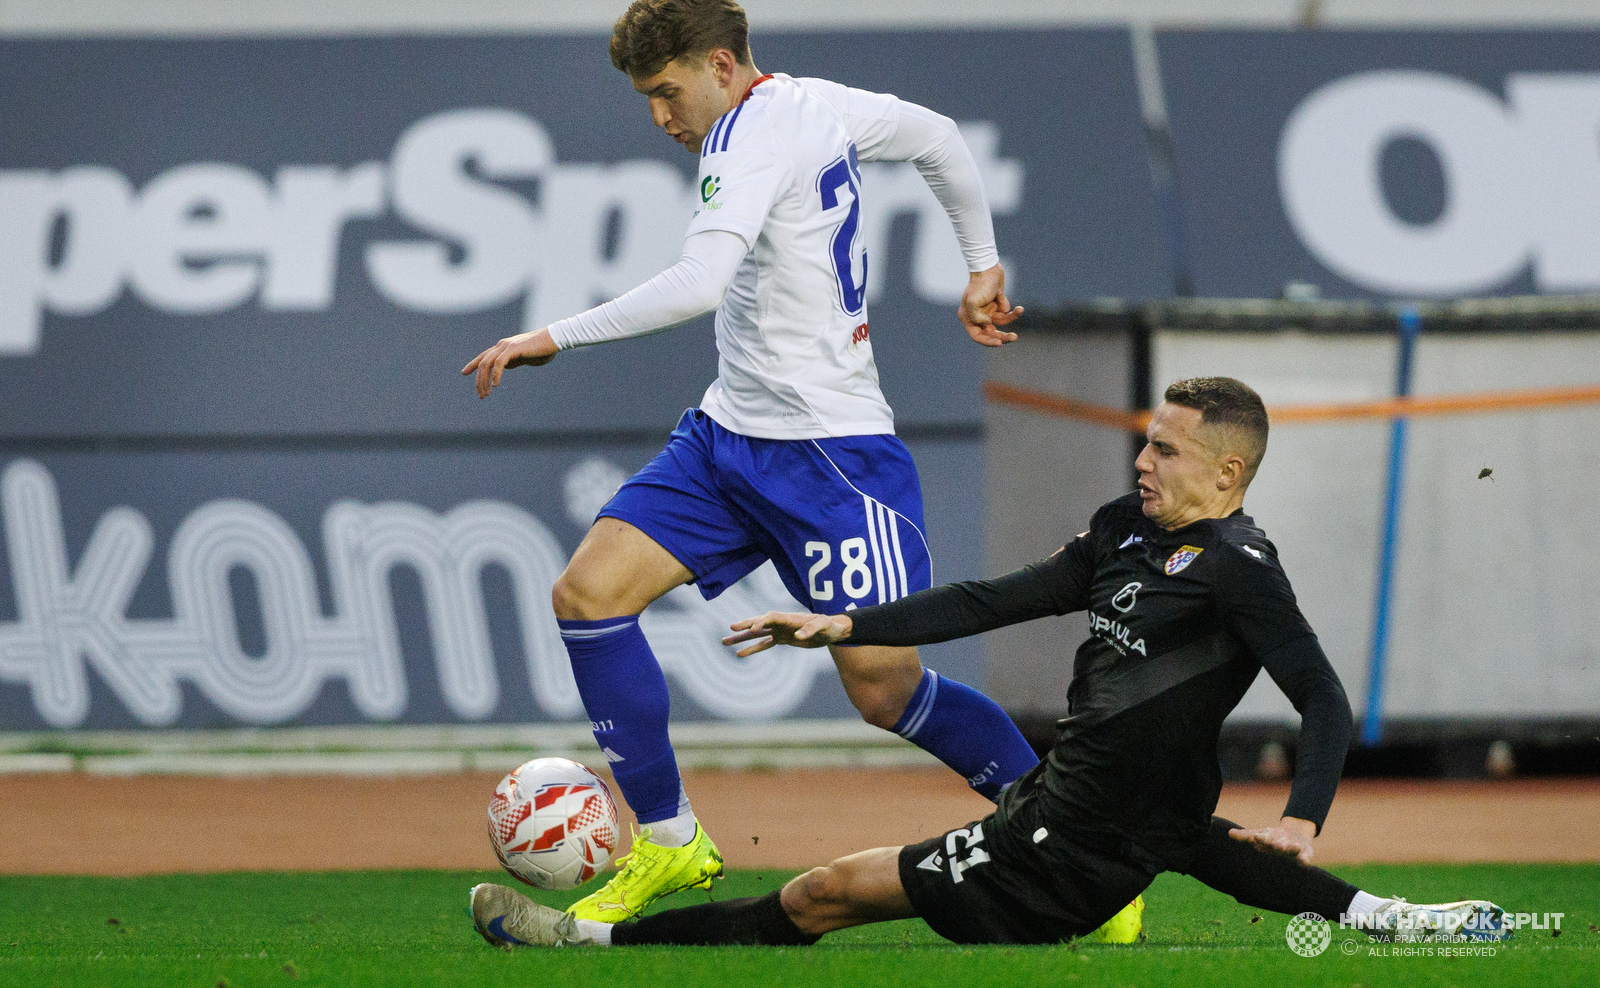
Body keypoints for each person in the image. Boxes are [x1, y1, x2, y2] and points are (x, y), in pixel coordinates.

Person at [467, 377, 1507, 949]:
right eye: (1144, 443)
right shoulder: (1120, 533)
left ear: (1228, 472)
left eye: (1166, 451)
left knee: (818, 894)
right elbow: (991, 598)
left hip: (1061, 845)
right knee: (1188, 837)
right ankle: (1395, 920)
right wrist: (846, 623)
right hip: (1113, 813)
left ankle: (588, 948)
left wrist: (1304, 814)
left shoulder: (1242, 570)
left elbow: (1320, 693)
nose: (1141, 461)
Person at [460, 0, 1045, 925]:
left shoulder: (748, 131)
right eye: (645, 97)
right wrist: (980, 262)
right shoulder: (816, 104)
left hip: (834, 457)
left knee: (885, 690)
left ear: (721, 65)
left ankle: (1075, 853)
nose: (658, 116)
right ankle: (670, 841)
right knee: (588, 596)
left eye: (667, 91)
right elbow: (937, 136)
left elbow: (699, 281)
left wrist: (550, 336)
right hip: (728, 438)